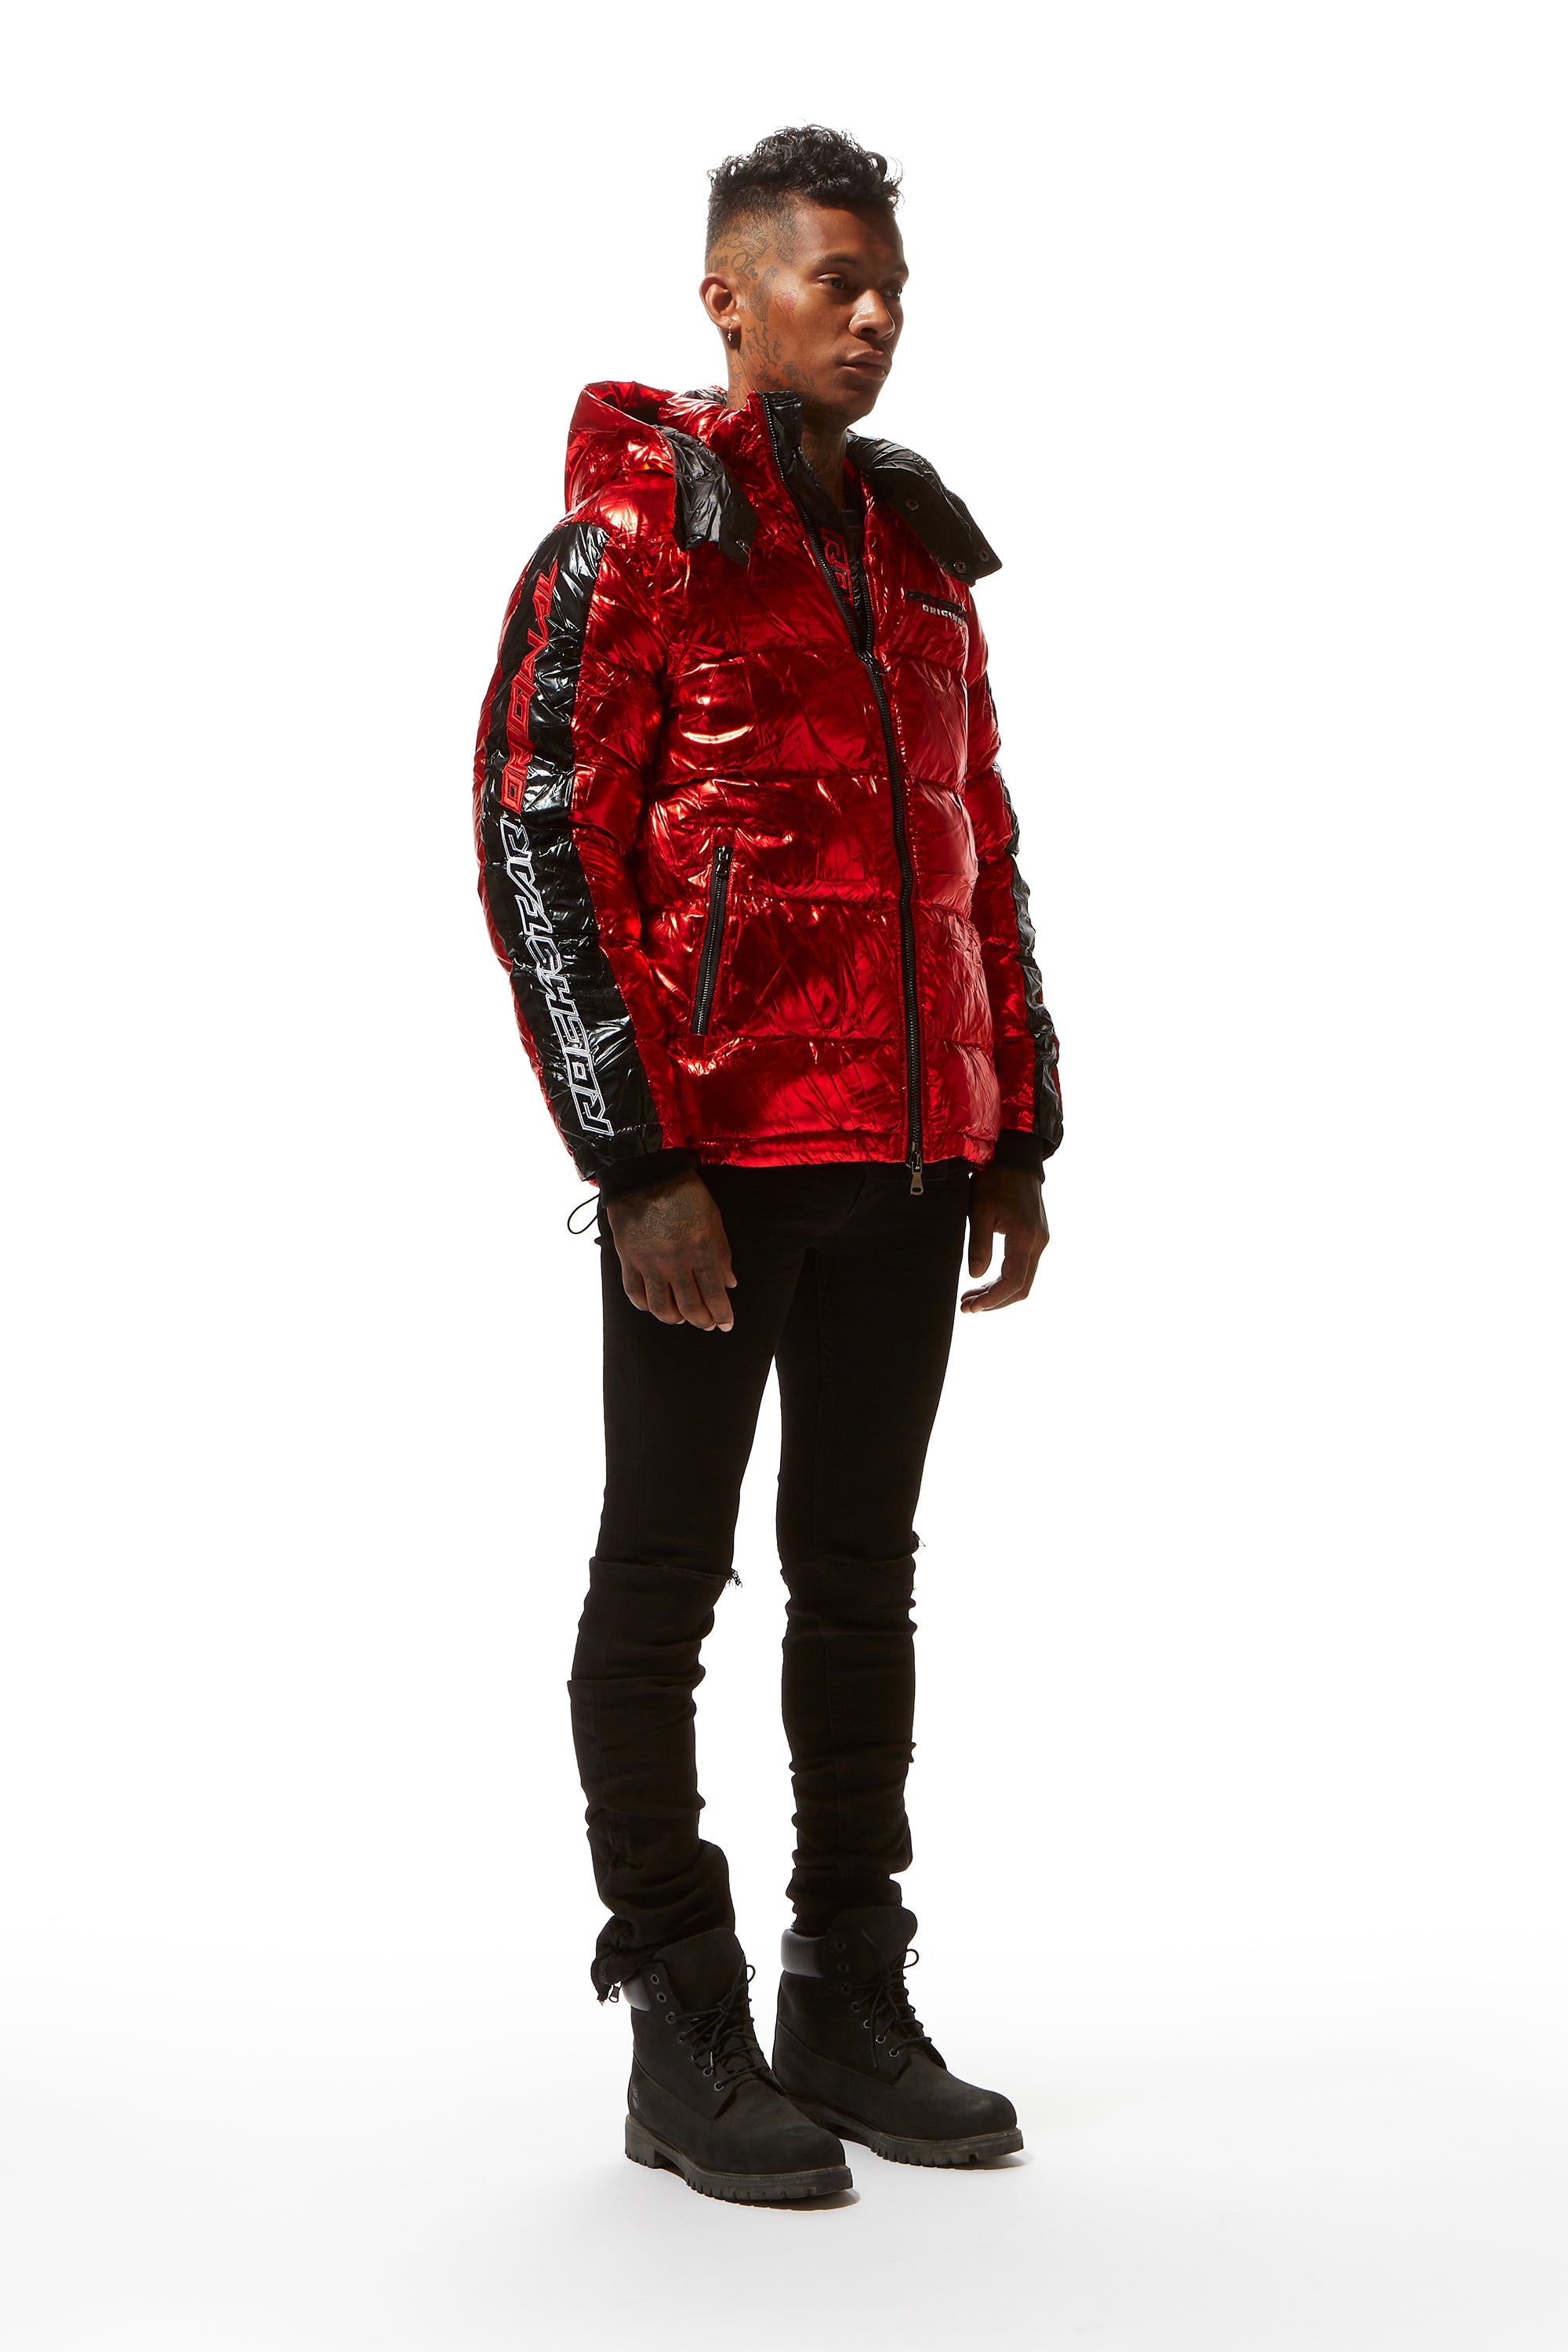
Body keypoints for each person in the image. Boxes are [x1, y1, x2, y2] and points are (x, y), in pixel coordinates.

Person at [474, 125, 1062, 2203]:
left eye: (892, 284)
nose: (875, 314)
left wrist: (1015, 1122)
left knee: (861, 1577)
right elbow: (542, 842)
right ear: (730, 299)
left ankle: (847, 1994)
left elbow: (979, 853)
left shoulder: (920, 558)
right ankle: (682, 2015)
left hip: (909, 1156)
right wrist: (636, 1156)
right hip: (715, 1172)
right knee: (662, 1582)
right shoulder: (626, 547)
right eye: (836, 280)